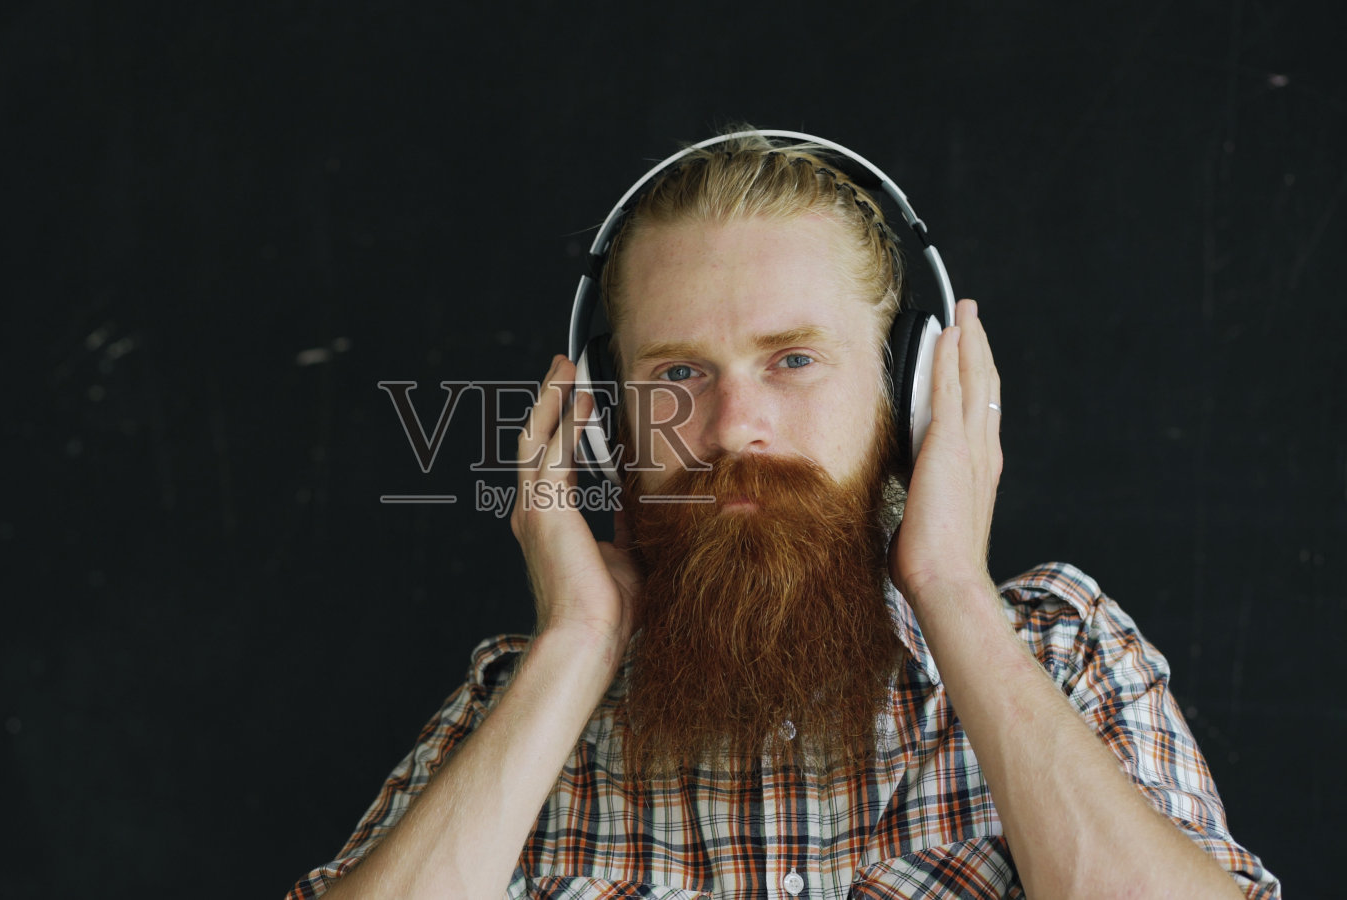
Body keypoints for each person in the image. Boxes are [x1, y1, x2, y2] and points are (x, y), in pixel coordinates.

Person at [288, 129, 1281, 899]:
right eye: (678, 373)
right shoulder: (516, 710)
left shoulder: (1062, 656)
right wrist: (578, 643)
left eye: (794, 360)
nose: (735, 426)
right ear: (602, 424)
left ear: (911, 391)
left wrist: (949, 591)